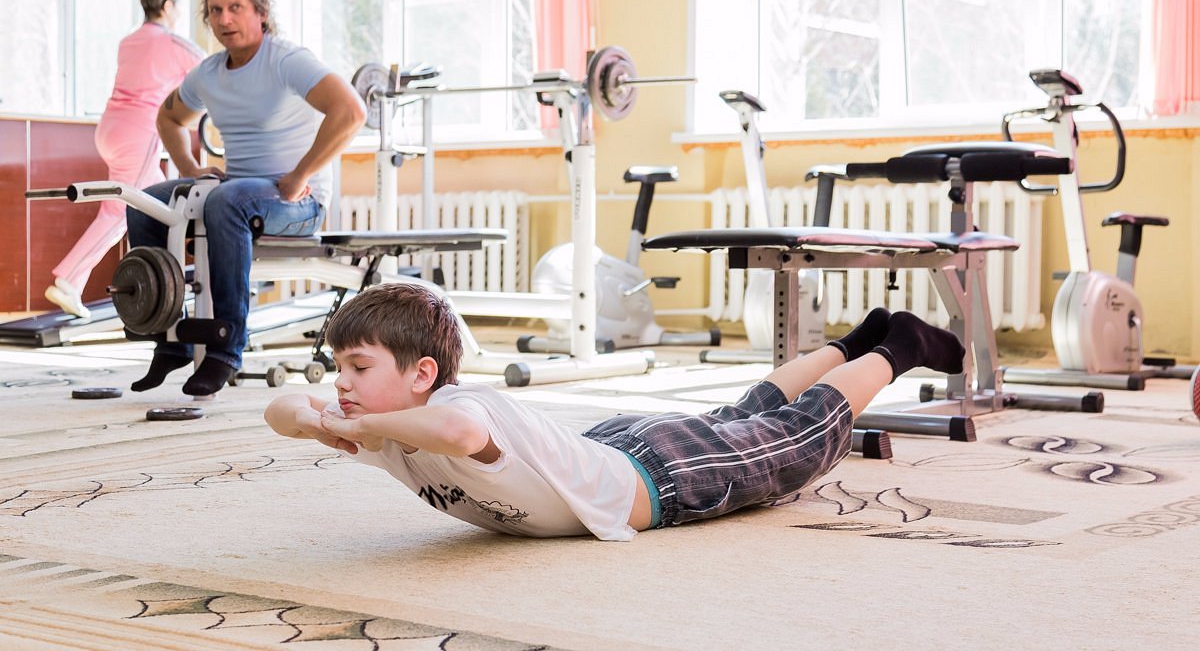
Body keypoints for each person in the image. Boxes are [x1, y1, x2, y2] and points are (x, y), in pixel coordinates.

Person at [264, 283, 966, 541]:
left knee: (795, 438)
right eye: (340, 368)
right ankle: (851, 344)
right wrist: (324, 418)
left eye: (359, 368)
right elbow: (280, 409)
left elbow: (458, 433)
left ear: (423, 374)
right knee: (748, 410)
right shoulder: (384, 419)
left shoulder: (453, 406)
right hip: (610, 448)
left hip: (659, 477)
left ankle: (898, 345)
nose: (342, 385)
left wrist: (358, 425)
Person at [126, 0, 365, 397]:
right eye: (216, 10)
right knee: (147, 203)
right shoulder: (209, 73)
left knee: (226, 200)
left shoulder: (286, 60)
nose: (225, 19)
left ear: (261, 12)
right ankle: (169, 338)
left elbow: (351, 111)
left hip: (297, 200)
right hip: (239, 195)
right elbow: (168, 118)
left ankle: (225, 348)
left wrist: (300, 174)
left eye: (236, 8)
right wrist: (190, 167)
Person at [45, 0, 204, 319]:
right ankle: (70, 279)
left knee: (160, 202)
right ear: (166, 6)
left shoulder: (128, 41)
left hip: (110, 129)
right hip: (139, 132)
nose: (178, 14)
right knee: (121, 208)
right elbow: (209, 71)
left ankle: (161, 287)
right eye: (177, 7)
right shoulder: (172, 42)